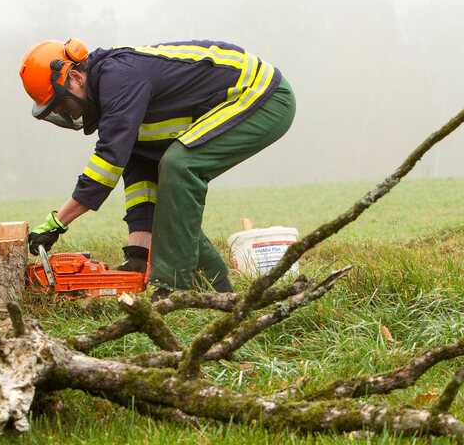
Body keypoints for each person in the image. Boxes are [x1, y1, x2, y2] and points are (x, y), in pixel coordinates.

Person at [19, 39, 295, 298]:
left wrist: (58, 223)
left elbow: (108, 163)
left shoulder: (119, 79)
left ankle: (173, 289)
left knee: (179, 165)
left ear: (76, 78)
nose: (68, 113)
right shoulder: (115, 106)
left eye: (63, 103)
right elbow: (142, 179)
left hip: (263, 95)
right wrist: (139, 254)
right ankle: (217, 294)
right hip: (248, 99)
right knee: (172, 189)